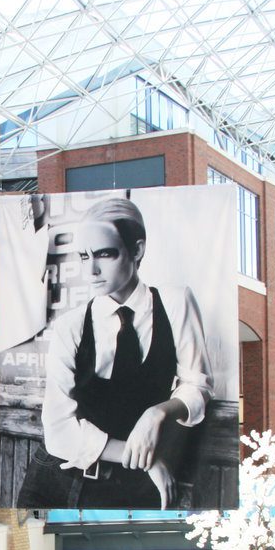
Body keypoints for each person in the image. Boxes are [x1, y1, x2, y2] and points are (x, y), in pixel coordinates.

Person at [17, 196, 214, 510]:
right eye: (84, 256)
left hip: (130, 489)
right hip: (54, 481)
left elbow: (198, 385)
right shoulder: (71, 326)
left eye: (105, 254)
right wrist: (145, 460)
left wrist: (159, 412)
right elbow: (58, 430)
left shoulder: (175, 303)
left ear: (137, 250)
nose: (92, 270)